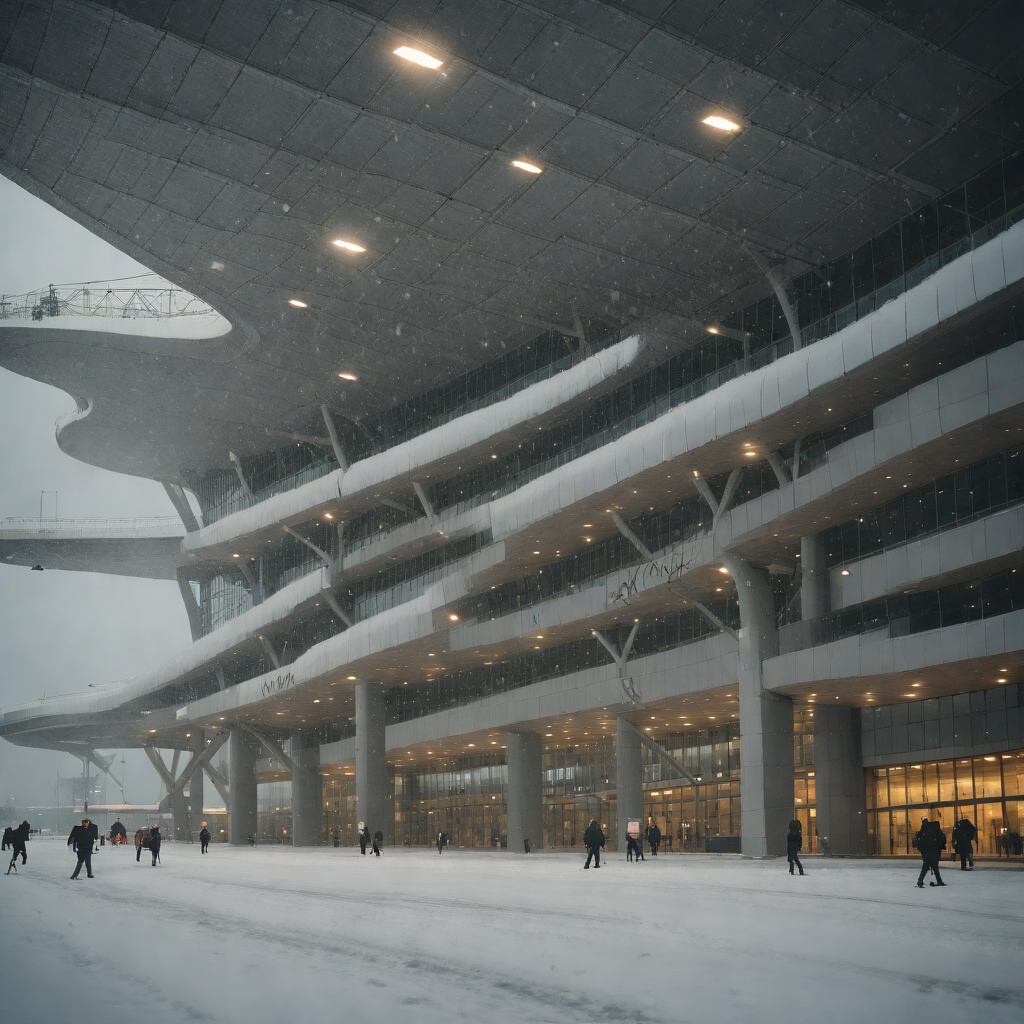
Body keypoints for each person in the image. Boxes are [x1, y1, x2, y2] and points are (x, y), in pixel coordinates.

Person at [913, 817, 946, 888]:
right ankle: (939, 881)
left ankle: (920, 881)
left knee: (926, 866)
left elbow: (918, 840)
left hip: (926, 852)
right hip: (934, 852)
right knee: (934, 866)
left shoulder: (923, 831)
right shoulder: (937, 832)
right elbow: (943, 840)